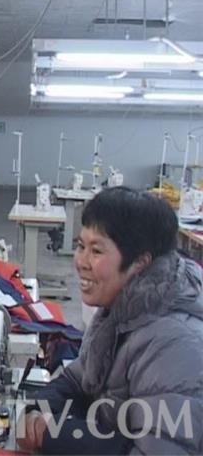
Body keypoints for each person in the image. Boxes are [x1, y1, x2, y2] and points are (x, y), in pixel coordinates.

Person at [18, 186, 203, 454]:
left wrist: (54, 434)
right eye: (80, 246)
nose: (81, 261)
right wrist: (36, 411)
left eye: (96, 251)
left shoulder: (174, 345)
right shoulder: (124, 309)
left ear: (140, 262)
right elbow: (77, 379)